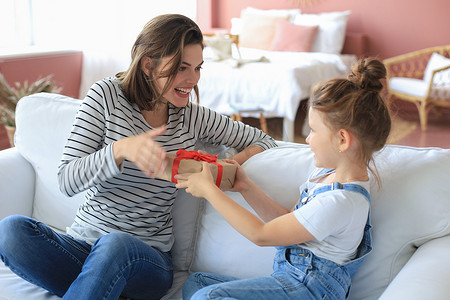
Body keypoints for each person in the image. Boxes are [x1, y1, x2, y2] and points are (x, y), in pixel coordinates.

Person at [0, 14, 276, 300]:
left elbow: (265, 140)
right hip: (83, 246)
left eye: (197, 68)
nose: (192, 80)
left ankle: (102, 285)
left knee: (116, 245)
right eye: (182, 68)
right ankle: (103, 287)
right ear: (148, 64)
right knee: (11, 232)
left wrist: (233, 163)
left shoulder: (193, 117)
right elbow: (66, 180)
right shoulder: (106, 96)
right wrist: (119, 151)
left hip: (147, 261)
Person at [176, 58, 391, 300]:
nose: (308, 139)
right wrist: (246, 187)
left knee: (207, 297)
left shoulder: (342, 201)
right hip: (288, 282)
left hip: (308, 290)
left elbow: (263, 234)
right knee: (197, 283)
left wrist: (209, 191)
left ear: (342, 140)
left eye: (313, 130)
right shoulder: (324, 176)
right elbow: (286, 222)